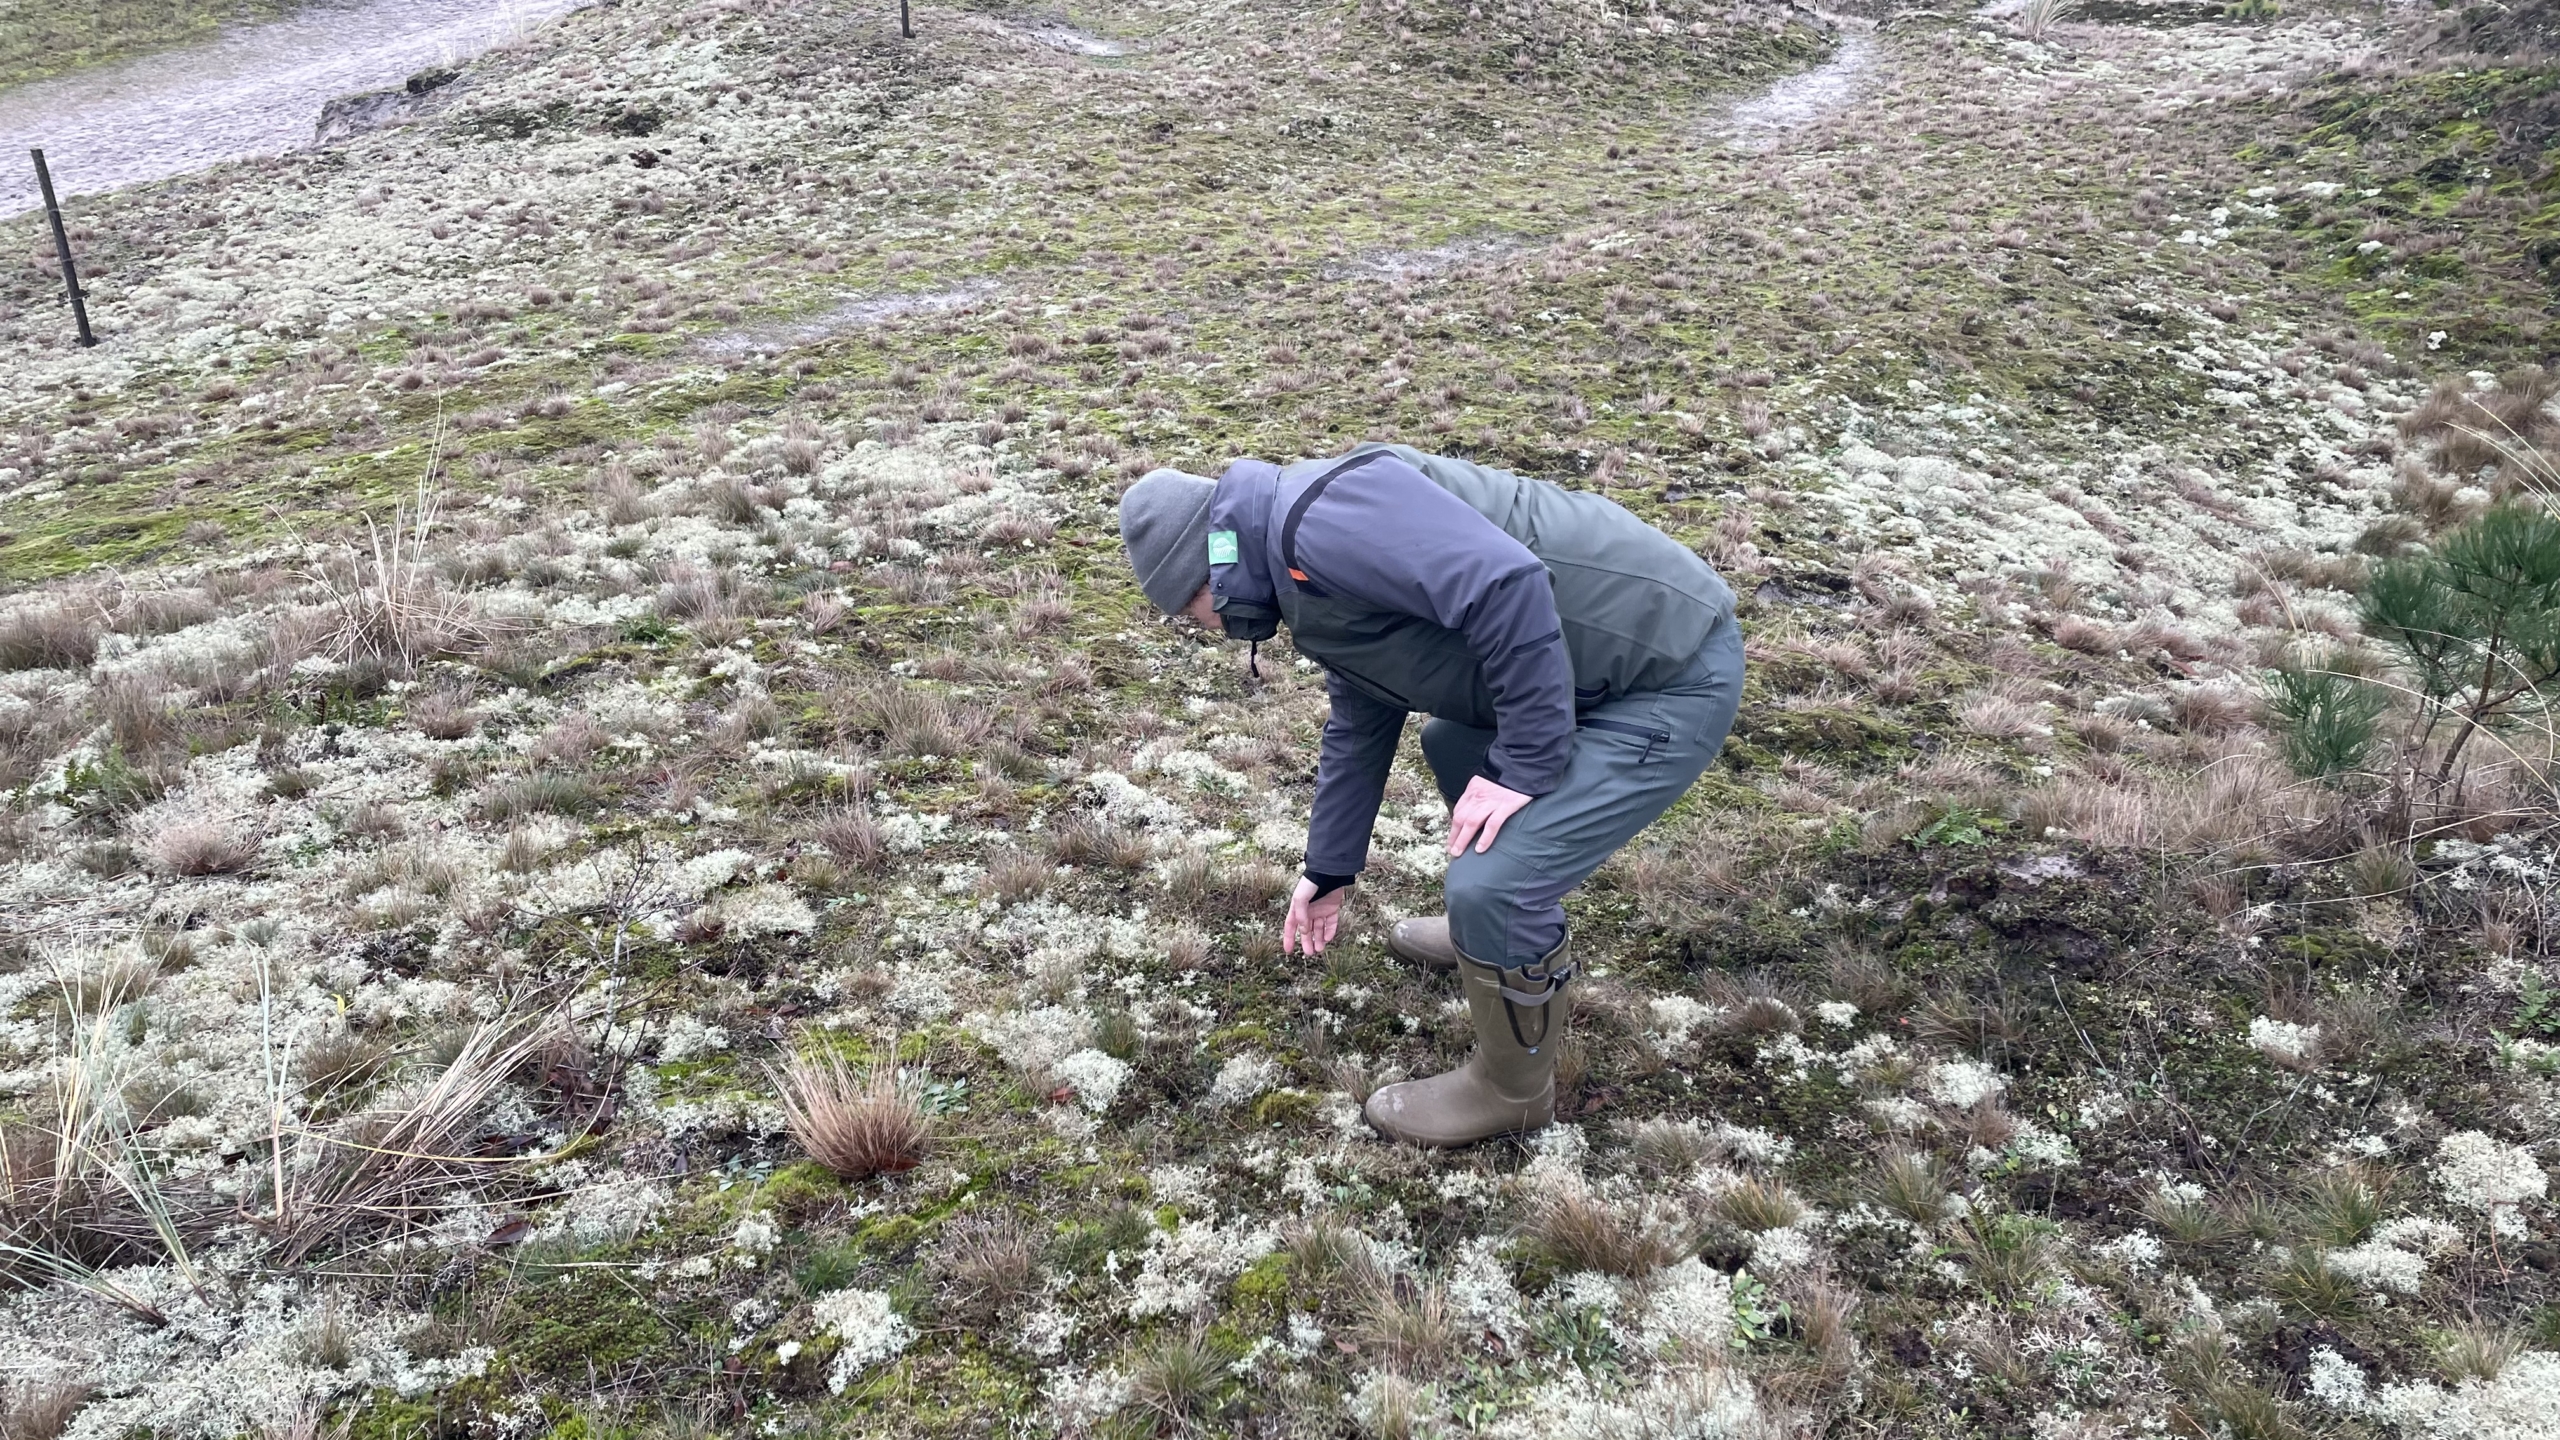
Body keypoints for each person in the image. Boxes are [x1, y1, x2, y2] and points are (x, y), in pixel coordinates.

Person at [1116, 443, 1743, 1148]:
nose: (1199, 627)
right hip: (1595, 668)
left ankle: (1513, 1089)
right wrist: (1328, 870)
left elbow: (1507, 584)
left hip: (1670, 668)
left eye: (1184, 608)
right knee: (1452, 743)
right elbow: (1361, 712)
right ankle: (1490, 937)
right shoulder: (1297, 567)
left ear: (1208, 567)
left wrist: (1525, 765)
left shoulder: (1319, 526)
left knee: (1495, 887)